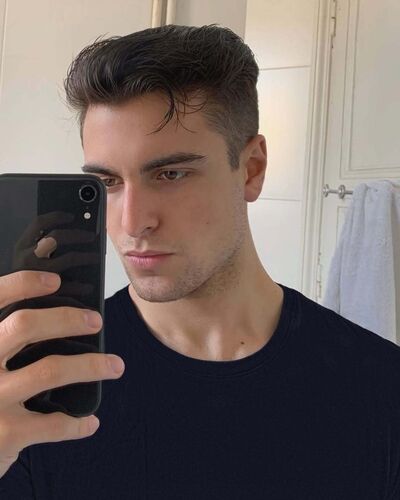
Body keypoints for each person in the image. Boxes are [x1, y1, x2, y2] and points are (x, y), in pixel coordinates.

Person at [0, 24, 399, 500]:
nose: (132, 222)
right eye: (107, 183)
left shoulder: (380, 388)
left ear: (251, 169)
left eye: (170, 173)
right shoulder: (41, 391)